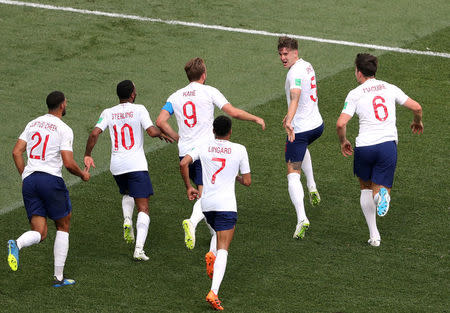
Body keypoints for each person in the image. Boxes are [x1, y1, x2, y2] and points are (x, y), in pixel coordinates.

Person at [156, 57, 265, 250]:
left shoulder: (175, 96)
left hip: (186, 153)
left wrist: (178, 137)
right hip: (206, 152)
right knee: (206, 194)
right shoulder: (209, 91)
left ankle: (214, 235)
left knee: (204, 193)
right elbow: (232, 112)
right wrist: (255, 118)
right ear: (204, 75)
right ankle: (192, 221)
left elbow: (161, 121)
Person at [336, 53, 423, 247]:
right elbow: (417, 107)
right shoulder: (389, 88)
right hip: (387, 146)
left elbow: (341, 123)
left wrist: (343, 141)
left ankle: (374, 236)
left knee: (365, 188)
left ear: (359, 72)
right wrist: (417, 121)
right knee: (380, 189)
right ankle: (380, 196)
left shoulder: (355, 94)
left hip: (364, 147)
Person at [8, 91, 90, 287]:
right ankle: (59, 278)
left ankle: (17, 243)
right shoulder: (64, 128)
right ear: (62, 105)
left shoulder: (33, 123)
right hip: (50, 180)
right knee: (63, 224)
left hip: (30, 180)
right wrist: (83, 175)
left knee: (40, 232)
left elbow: (16, 152)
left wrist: (25, 175)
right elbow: (69, 164)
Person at [84, 80, 170, 260]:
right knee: (144, 208)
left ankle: (126, 220)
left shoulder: (108, 112)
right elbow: (151, 132)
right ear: (132, 94)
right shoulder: (139, 109)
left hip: (116, 166)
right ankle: (139, 249)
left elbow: (94, 133)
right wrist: (163, 133)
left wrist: (88, 154)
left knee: (127, 193)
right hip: (136, 165)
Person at [180, 116, 251, 310]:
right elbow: (247, 181)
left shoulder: (203, 146)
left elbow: (183, 163)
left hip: (207, 206)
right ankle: (214, 292)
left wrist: (188, 187)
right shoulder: (239, 149)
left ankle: (211, 253)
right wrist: (234, 176)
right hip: (227, 206)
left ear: (213, 130)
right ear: (230, 131)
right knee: (224, 248)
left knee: (216, 234)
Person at [278, 36, 324, 239]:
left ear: (295, 52)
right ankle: (312, 186)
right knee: (302, 148)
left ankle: (301, 218)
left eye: (286, 54)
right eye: (280, 54)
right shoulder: (307, 66)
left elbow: (295, 94)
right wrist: (291, 113)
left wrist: (290, 119)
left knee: (292, 174)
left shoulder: (295, 72)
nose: (282, 58)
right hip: (317, 125)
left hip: (301, 129)